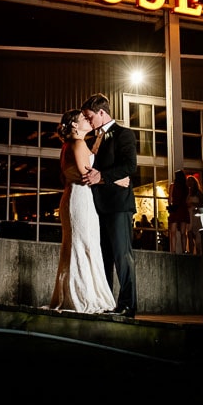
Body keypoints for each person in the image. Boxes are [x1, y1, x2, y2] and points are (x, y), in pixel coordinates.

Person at [47, 109, 118, 314]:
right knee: (84, 243)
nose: (87, 120)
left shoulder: (70, 145)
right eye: (83, 119)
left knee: (80, 244)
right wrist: (114, 179)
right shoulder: (77, 144)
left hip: (73, 196)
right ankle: (84, 296)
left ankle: (77, 293)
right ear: (75, 126)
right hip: (80, 197)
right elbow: (85, 173)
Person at [81, 92, 138, 318]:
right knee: (103, 256)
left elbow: (130, 166)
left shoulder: (123, 134)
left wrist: (104, 176)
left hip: (118, 205)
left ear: (102, 113)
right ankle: (106, 300)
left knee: (122, 256)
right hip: (98, 206)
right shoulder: (91, 139)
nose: (88, 121)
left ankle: (128, 305)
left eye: (90, 117)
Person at [167, 170, 190, 254]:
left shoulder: (173, 186)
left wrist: (171, 206)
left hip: (175, 209)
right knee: (184, 232)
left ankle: (173, 250)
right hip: (183, 209)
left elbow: (170, 199)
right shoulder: (186, 188)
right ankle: (184, 249)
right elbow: (187, 200)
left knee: (173, 232)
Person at [184, 174, 203, 255]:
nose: (190, 183)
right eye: (188, 182)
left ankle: (199, 252)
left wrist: (194, 205)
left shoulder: (198, 193)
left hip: (196, 215)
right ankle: (191, 252)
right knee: (189, 233)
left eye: (191, 182)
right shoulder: (186, 193)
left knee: (197, 234)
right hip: (189, 215)